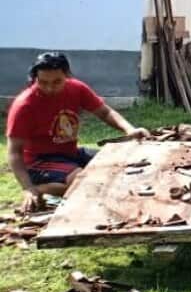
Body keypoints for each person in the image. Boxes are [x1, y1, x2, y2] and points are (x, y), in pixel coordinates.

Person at [6, 52, 150, 212]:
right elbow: (14, 152)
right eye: (43, 82)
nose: (49, 88)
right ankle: (39, 189)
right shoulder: (24, 105)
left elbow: (105, 112)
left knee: (119, 165)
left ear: (67, 76)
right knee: (84, 180)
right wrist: (27, 188)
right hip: (38, 162)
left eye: (56, 82)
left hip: (70, 153)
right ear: (34, 78)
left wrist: (129, 129)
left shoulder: (77, 88)